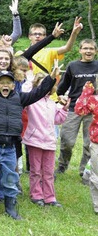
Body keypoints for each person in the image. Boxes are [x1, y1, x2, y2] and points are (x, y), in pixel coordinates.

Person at [0, 66, 58, 220]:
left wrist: (51, 78)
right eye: (1, 82)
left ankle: (10, 209)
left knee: (11, 178)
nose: (5, 85)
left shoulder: (20, 98)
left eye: (8, 82)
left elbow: (38, 93)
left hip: (10, 147)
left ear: (13, 85)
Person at [23, 72, 68, 207]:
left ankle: (50, 197)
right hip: (34, 140)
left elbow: (57, 120)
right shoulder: (31, 101)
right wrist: (29, 81)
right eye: (42, 83)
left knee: (48, 171)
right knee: (36, 170)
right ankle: (36, 195)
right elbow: (24, 93)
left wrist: (64, 109)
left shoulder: (52, 103)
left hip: (49, 141)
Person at [56, 35, 98, 178]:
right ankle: (62, 166)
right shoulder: (72, 66)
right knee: (67, 140)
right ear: (80, 50)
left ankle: (84, 171)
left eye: (91, 48)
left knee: (89, 144)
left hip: (93, 111)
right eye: (85, 48)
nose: (88, 51)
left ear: (95, 51)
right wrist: (59, 96)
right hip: (74, 107)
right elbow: (62, 86)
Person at [72, 81, 98, 215]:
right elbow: (79, 110)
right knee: (96, 177)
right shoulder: (95, 100)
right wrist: (86, 93)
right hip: (97, 143)